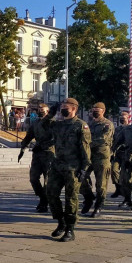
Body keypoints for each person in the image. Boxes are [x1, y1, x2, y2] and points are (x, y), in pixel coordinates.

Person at [46, 98, 91, 242]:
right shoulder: (58, 125)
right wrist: (49, 114)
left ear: (74, 109)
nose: (63, 109)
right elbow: (42, 126)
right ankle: (61, 222)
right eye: (62, 107)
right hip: (57, 165)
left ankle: (70, 229)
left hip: (73, 167)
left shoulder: (80, 126)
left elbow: (85, 148)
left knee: (71, 198)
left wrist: (84, 168)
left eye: (66, 107)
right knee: (51, 193)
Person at [79, 102, 115, 218]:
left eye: (97, 110)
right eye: (93, 109)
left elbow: (103, 139)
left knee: (101, 184)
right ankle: (88, 197)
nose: (94, 111)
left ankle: (99, 206)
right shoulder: (89, 124)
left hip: (102, 157)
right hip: (89, 156)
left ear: (103, 111)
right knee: (81, 178)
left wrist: (86, 144)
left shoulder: (108, 124)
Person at [19, 103, 54, 213]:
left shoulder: (53, 123)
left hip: (49, 154)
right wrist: (22, 149)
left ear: (48, 111)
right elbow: (28, 136)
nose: (40, 111)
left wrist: (43, 145)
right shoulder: (35, 123)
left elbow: (56, 138)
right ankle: (43, 198)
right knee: (33, 178)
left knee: (48, 181)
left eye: (42, 110)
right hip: (38, 155)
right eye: (39, 109)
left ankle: (45, 202)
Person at [114, 109, 132, 210]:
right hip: (127, 157)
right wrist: (115, 149)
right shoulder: (127, 129)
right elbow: (118, 141)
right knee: (125, 180)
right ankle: (127, 199)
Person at [109, 111, 129, 199]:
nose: (122, 119)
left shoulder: (130, 129)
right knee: (113, 170)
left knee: (124, 174)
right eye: (121, 118)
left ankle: (125, 191)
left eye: (123, 118)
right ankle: (118, 188)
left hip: (126, 154)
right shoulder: (117, 129)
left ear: (128, 118)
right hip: (117, 154)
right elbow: (113, 141)